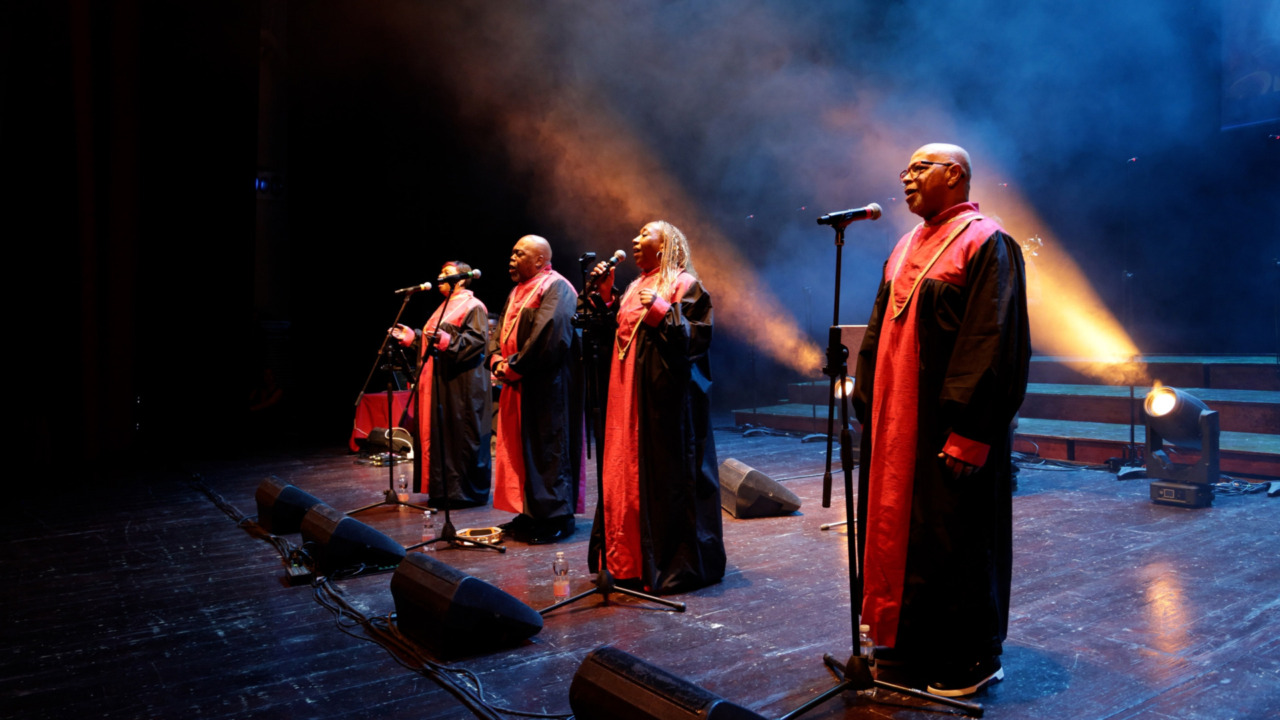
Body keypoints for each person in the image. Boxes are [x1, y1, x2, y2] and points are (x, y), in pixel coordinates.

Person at [851, 144, 1030, 697]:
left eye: (919, 167)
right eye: (904, 168)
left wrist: (971, 430)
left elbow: (993, 342)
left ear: (954, 175)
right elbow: (879, 332)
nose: (906, 176)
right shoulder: (905, 246)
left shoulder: (987, 241)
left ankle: (971, 659)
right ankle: (903, 648)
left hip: (947, 428)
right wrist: (868, 401)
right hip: (897, 426)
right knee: (901, 540)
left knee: (953, 540)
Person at [585, 220, 725, 594]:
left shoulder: (683, 285)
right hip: (625, 394)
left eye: (646, 234)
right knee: (623, 473)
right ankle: (623, 558)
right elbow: (617, 334)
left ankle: (661, 561)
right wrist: (605, 298)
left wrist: (665, 310)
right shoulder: (633, 286)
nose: (635, 239)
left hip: (664, 406)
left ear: (665, 246)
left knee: (659, 477)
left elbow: (696, 342)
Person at [489, 235, 584, 543]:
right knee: (521, 449)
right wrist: (495, 360)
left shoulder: (556, 287)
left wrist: (514, 367)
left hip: (547, 386)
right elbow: (501, 328)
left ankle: (555, 517)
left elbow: (550, 336)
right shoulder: (518, 290)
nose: (511, 259)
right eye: (512, 254)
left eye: (519, 254)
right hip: (519, 384)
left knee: (548, 450)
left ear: (540, 259)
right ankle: (530, 513)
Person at [390, 261, 491, 507]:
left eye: (446, 273)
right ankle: (442, 490)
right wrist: (413, 338)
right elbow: (432, 344)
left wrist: (446, 340)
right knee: (440, 436)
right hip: (438, 384)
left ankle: (462, 493)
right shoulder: (444, 307)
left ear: (462, 277)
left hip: (461, 387)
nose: (439, 276)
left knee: (459, 437)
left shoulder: (473, 306)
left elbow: (476, 342)